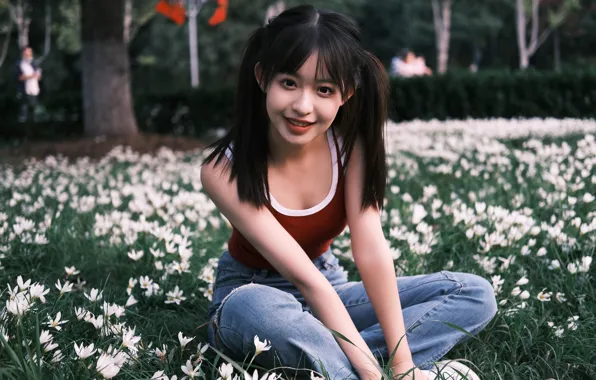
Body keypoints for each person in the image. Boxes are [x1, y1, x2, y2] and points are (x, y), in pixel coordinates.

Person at [201, 5, 497, 380]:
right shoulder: (222, 168)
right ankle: (358, 365)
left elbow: (370, 249)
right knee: (258, 309)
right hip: (253, 293)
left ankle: (341, 359)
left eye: (324, 89)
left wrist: (404, 366)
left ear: (346, 94)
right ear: (263, 78)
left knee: (473, 294)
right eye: (289, 83)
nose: (303, 106)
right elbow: (305, 279)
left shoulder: (350, 145)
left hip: (331, 286)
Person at [15, 46, 42, 123]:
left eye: (30, 51)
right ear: (23, 53)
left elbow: (38, 77)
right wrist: (32, 76)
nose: (29, 53)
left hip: (34, 89)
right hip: (24, 90)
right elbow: (19, 78)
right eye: (27, 51)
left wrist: (37, 75)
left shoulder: (34, 63)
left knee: (33, 108)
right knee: (24, 109)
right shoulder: (19, 64)